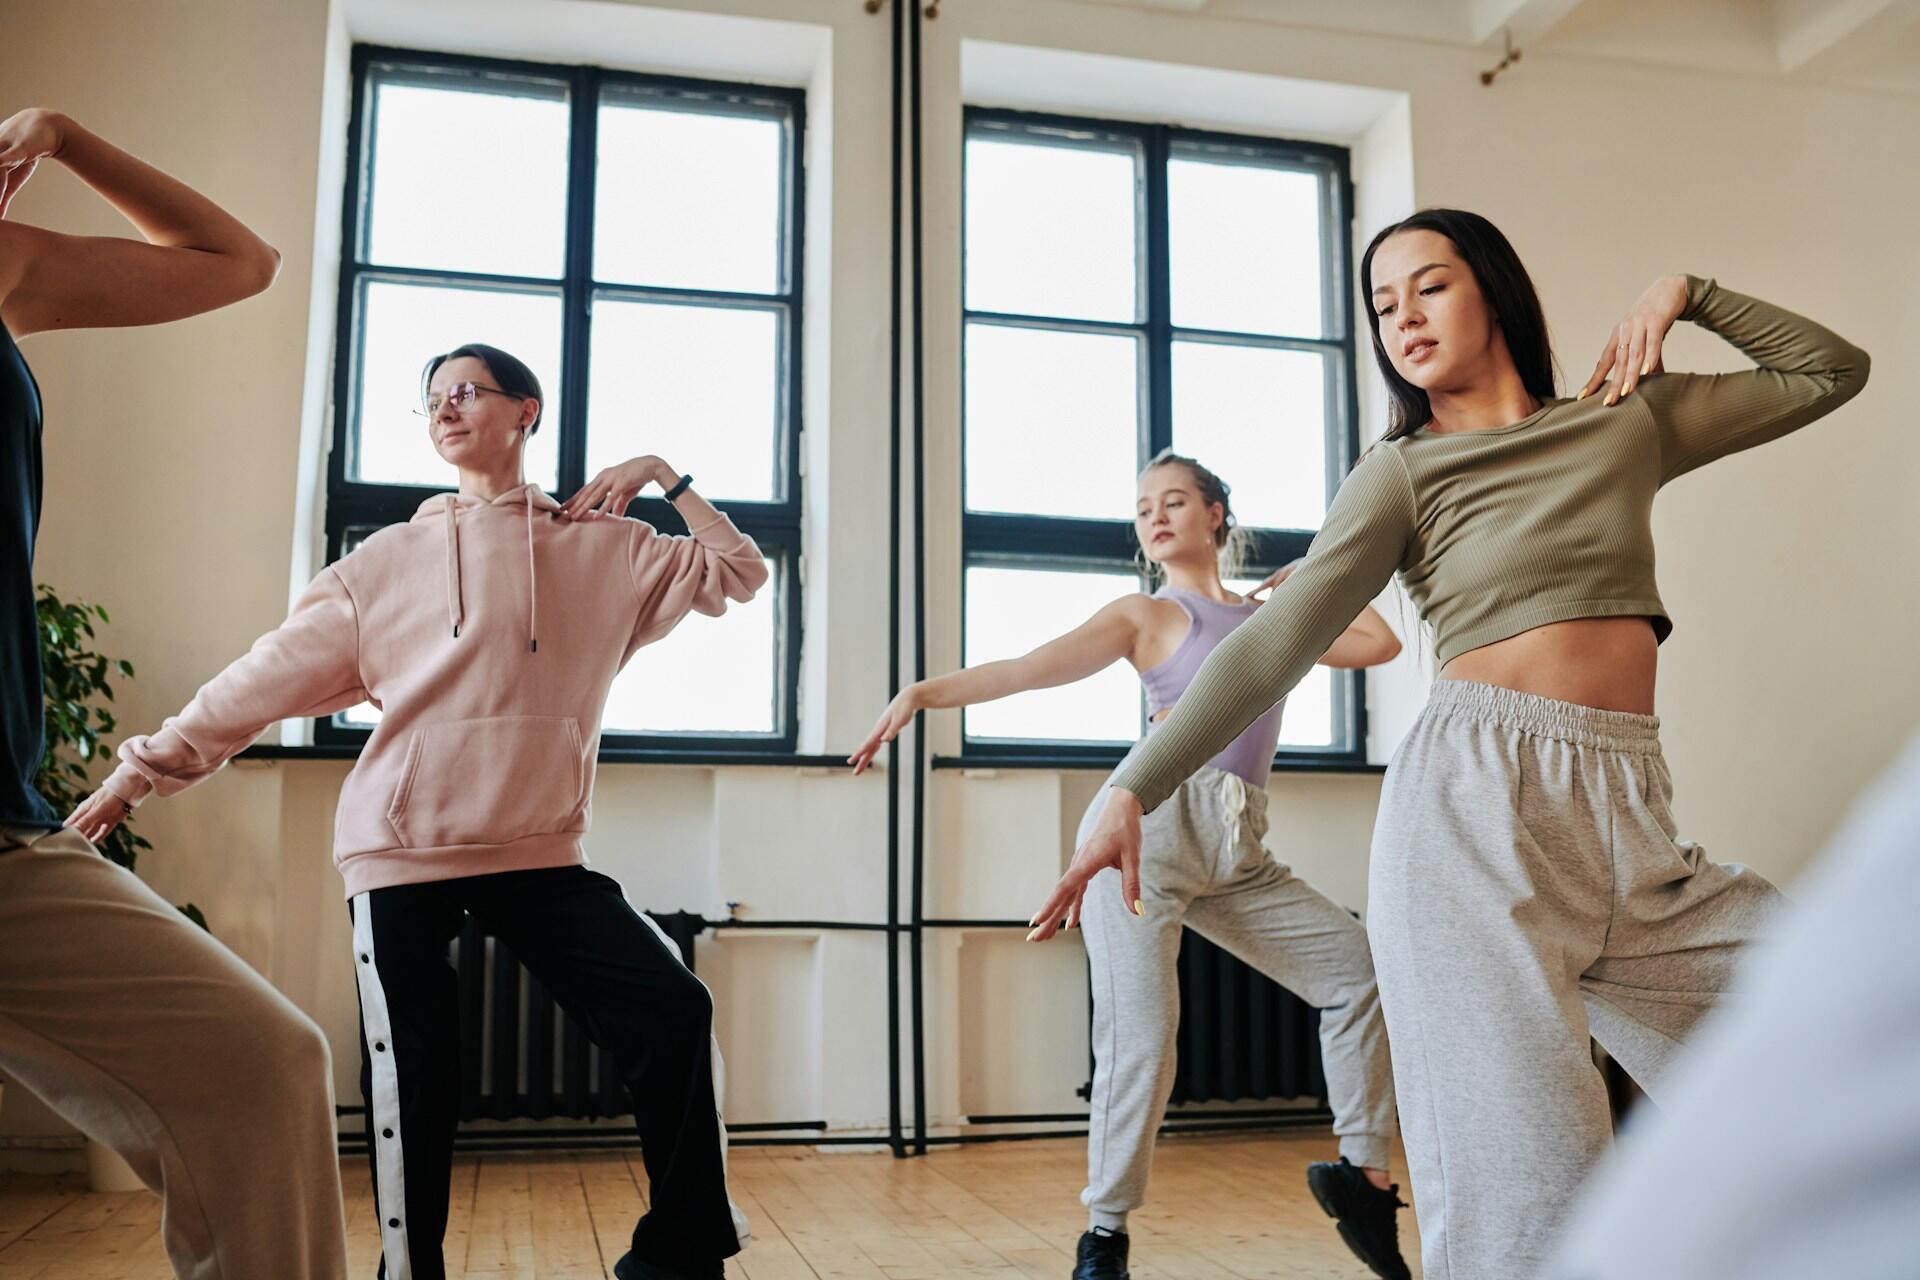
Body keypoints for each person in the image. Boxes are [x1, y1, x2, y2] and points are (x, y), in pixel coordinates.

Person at [1029, 208, 1871, 1279]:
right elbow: (1275, 640)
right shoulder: (1402, 472)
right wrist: (1131, 789)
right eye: (1383, 305)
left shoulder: (1625, 420)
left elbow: (1828, 372)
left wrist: (1688, 289)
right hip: (1472, 817)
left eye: (1429, 286)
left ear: (1495, 290)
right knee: (1530, 1203)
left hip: (1630, 810)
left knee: (1841, 1034)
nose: (1404, 318)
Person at [69, 342, 767, 1280]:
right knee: (416, 1081)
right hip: (400, 852)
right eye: (432, 399)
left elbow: (740, 568)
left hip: (537, 851)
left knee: (673, 1005)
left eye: (468, 392)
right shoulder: (386, 564)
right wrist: (137, 773)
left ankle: (679, 1256)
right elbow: (258, 681)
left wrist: (662, 475)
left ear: (527, 411)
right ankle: (412, 1273)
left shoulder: (607, 549)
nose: (446, 409)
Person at [852, 450, 1410, 1279]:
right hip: (1142, 834)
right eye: (1144, 505)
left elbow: (1380, 644)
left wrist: (1309, 581)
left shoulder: (1272, 619)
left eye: (1176, 500)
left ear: (1216, 513)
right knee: (1143, 1041)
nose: (1156, 515)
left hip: (1238, 848)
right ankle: (1104, 1235)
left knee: (1358, 971)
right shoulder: (1144, 615)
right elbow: (1031, 667)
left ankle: (1361, 1176)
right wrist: (926, 693)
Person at [0, 105, 349, 1279]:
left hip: (5, 826)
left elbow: (236, 263)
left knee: (264, 1065)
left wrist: (65, 136)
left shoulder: (7, 263)